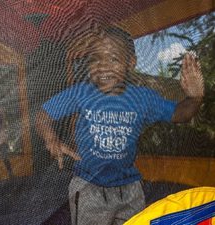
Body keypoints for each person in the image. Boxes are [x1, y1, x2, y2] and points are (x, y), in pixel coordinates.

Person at [35, 26, 204, 225]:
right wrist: (51, 139)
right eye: (95, 59)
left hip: (130, 187)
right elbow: (42, 115)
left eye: (113, 59)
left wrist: (195, 98)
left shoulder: (142, 98)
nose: (102, 66)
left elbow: (179, 115)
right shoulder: (81, 92)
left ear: (131, 63)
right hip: (89, 185)